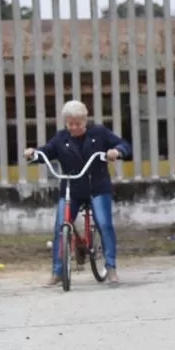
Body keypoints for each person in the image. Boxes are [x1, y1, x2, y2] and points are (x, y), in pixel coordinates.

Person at [24, 99, 131, 286]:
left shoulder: (99, 133)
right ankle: (57, 272)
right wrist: (34, 153)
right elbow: (47, 151)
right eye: (70, 123)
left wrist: (116, 151)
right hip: (71, 189)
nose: (74, 127)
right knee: (60, 227)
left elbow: (124, 145)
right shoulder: (60, 138)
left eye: (78, 123)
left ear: (85, 120)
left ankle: (111, 267)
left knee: (104, 224)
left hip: (96, 187)